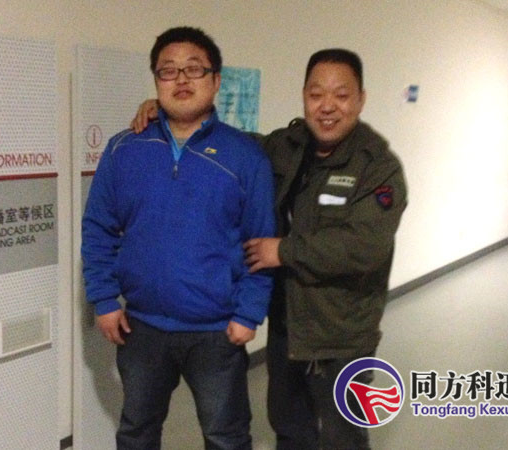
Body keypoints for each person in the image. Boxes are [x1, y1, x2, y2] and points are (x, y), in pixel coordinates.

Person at [131, 48, 407, 450]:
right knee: (289, 428)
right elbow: (232, 145)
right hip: (287, 326)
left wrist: (285, 251)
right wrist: (174, 111)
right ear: (304, 97)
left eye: (341, 95)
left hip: (341, 337)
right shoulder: (286, 146)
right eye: (316, 94)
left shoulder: (377, 167)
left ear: (361, 99)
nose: (327, 106)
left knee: (342, 436)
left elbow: (365, 246)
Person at [82, 26, 275, 450]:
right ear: (156, 80)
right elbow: (98, 228)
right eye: (168, 70)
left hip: (217, 331)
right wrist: (104, 299)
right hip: (141, 327)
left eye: (194, 69)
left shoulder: (245, 157)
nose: (181, 79)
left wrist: (249, 313)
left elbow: (261, 242)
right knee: (137, 431)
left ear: (216, 80)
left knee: (226, 437)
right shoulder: (123, 149)